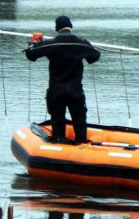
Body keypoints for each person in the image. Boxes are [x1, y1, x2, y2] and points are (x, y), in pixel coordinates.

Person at [25, 15, 101, 144]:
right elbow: (94, 57)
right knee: (79, 121)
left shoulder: (51, 43)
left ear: (57, 28)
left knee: (57, 120)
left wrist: (33, 44)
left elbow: (31, 55)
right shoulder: (81, 44)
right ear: (71, 27)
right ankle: (81, 144)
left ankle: (59, 142)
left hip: (56, 90)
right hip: (75, 91)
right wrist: (87, 44)